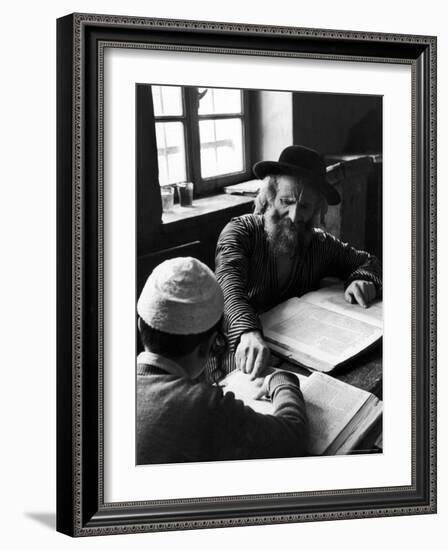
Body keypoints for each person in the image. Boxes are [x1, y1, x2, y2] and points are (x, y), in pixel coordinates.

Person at [212, 145, 382, 381]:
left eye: (304, 206)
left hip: (299, 361)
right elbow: (227, 286)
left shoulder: (320, 244)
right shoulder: (240, 232)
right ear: (270, 196)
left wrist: (363, 278)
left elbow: (368, 262)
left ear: (317, 209)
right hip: (239, 355)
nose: (293, 216)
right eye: (286, 201)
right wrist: (247, 332)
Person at [136, 256, 308, 464]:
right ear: (207, 346)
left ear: (140, 325)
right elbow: (292, 438)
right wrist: (281, 381)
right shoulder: (202, 406)